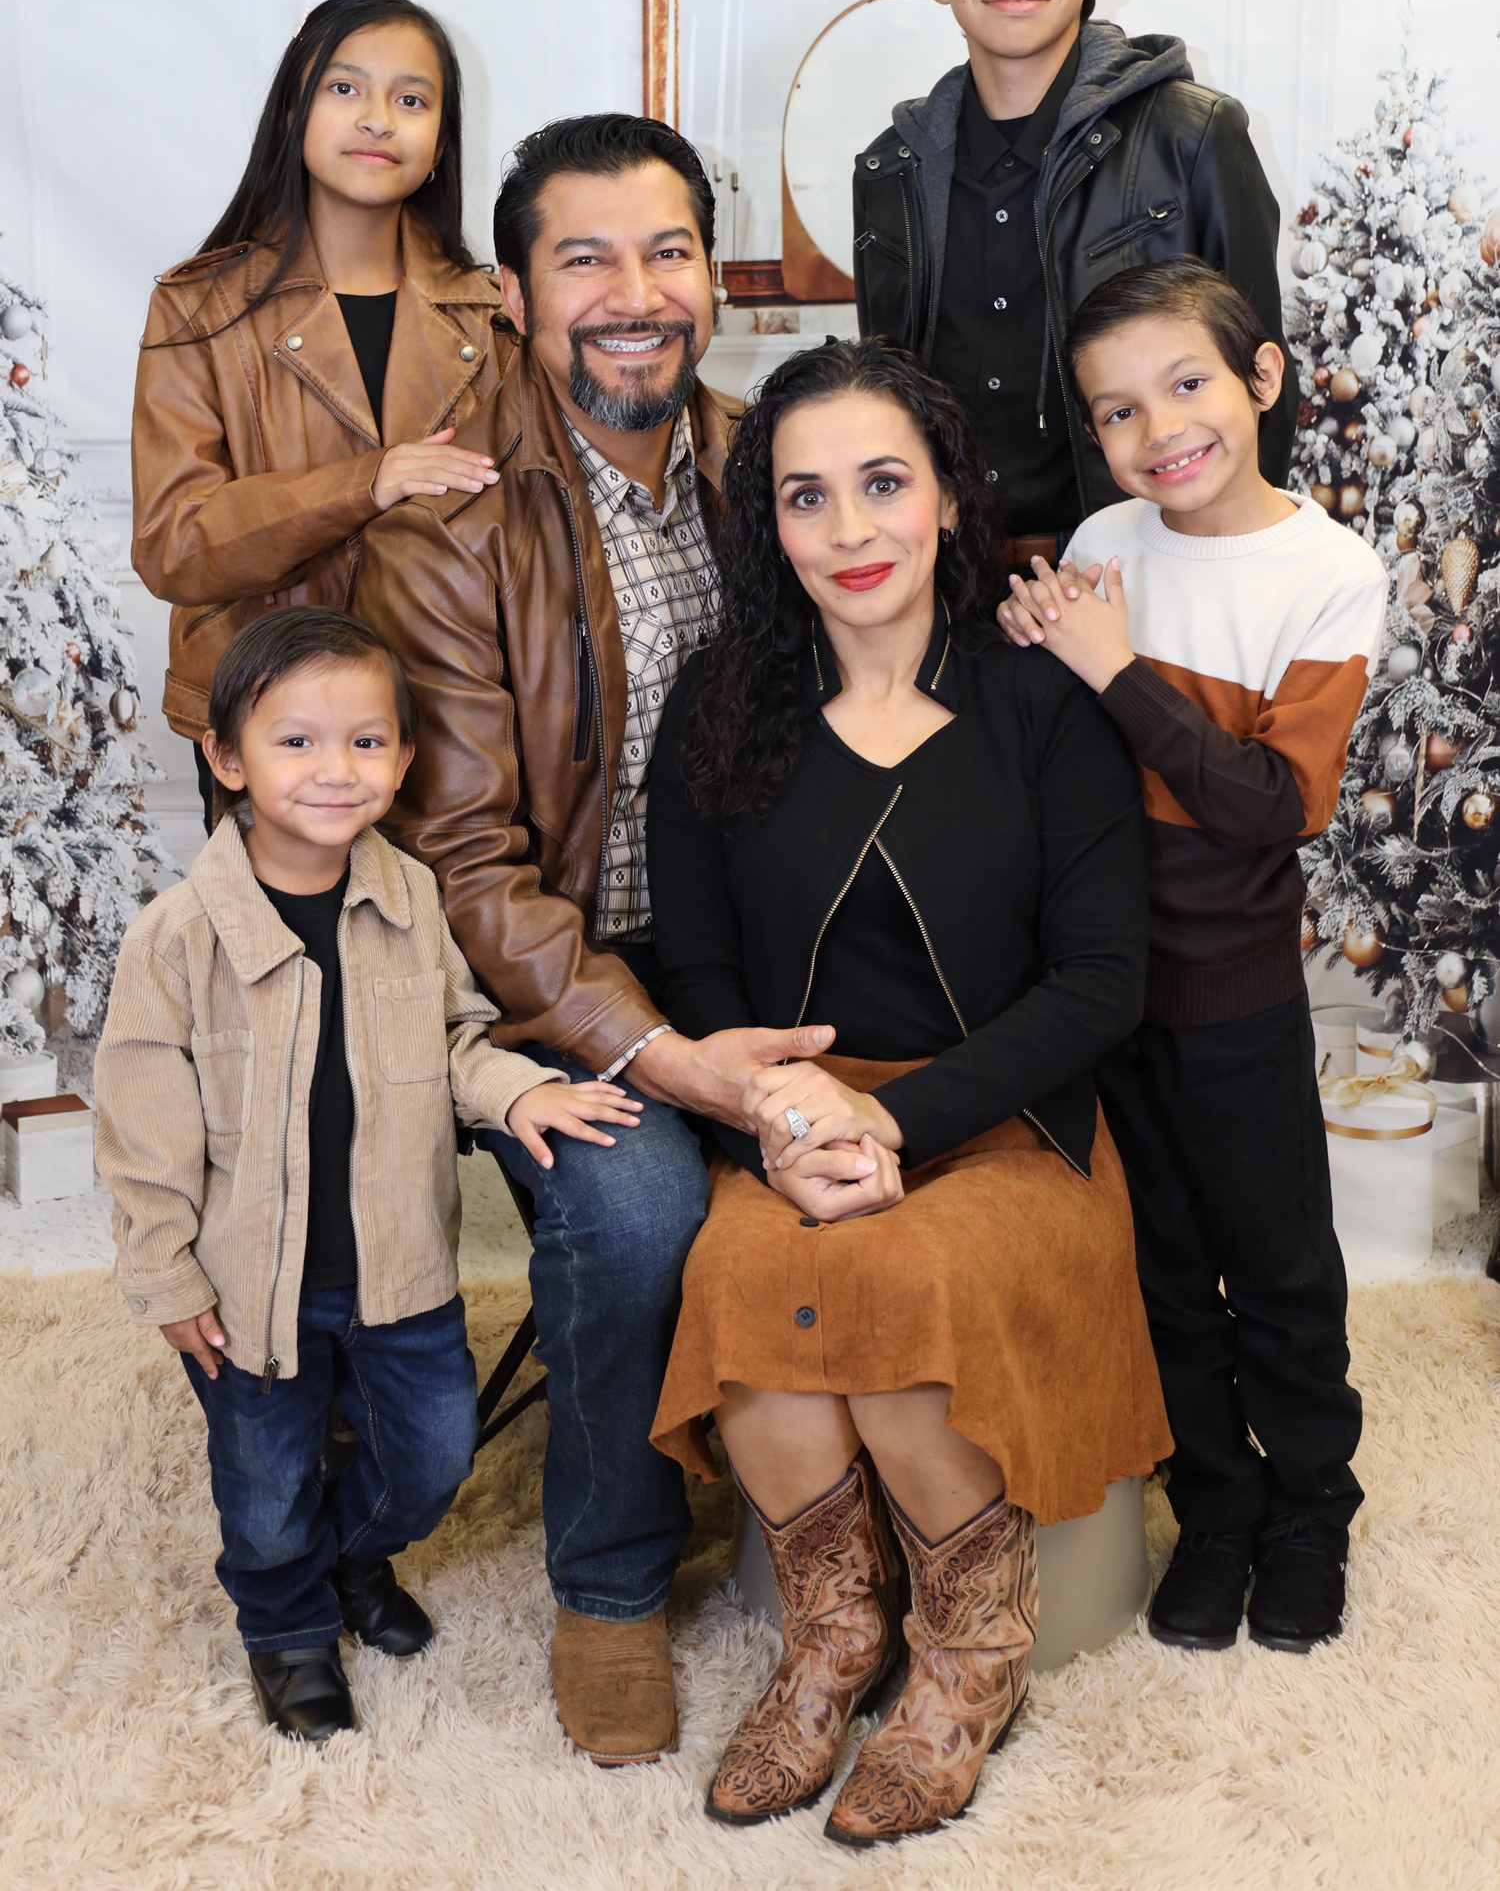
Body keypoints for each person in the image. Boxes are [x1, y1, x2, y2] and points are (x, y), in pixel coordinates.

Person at [352, 113, 834, 1768]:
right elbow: (469, 865)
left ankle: (853, 1525)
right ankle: (614, 1580)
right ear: (513, 293)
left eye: (668, 250)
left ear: (713, 272)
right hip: (539, 976)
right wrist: (663, 1054)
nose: (636, 293)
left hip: (748, 935)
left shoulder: (769, 463)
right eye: (586, 259)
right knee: (638, 1211)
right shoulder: (448, 521)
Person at [645, 335, 1171, 1846]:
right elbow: (695, 966)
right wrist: (784, 1116)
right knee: (744, 1267)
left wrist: (895, 1119)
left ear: (948, 492)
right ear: (771, 526)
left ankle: (966, 1658)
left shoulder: (1041, 697)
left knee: (898, 1278)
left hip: (1010, 1114)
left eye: (884, 482)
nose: (851, 528)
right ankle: (833, 1640)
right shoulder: (720, 699)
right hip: (798, 1113)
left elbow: (1100, 983)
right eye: (807, 496)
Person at [94, 608, 640, 1745]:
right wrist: (167, 1276)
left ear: (400, 759)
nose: (335, 768)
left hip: (400, 1269)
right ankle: (287, 1625)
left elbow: (455, 1039)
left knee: (434, 1455)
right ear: (228, 758)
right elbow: (141, 1133)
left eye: (365, 741)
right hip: (251, 1287)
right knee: (265, 1480)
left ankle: (352, 1556)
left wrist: (516, 1092)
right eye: (295, 741)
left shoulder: (410, 898)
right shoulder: (176, 938)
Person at [999, 257, 1387, 1656]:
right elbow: (1065, 748)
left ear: (1262, 377)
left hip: (1234, 991)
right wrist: (1041, 642)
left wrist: (1114, 666)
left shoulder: (1329, 572)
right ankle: (1218, 1508)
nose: (1158, 428)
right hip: (1104, 986)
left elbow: (1272, 803)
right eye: (1116, 409)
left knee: (1277, 1266)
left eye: (1185, 384)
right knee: (1160, 1266)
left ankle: (1312, 1511)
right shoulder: (1109, 538)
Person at [852, 0, 1297, 578]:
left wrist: (1225, 575)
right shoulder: (889, 169)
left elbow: (1260, 388)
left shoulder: (1190, 137)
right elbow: (885, 399)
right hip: (946, 582)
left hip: (1141, 573)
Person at [131, 0, 511, 832]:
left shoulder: (493, 316)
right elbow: (174, 544)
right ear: (292, 109)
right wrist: (368, 481)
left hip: (445, 718)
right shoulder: (198, 308)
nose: (378, 119)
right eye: (345, 88)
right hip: (269, 724)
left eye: (411, 99)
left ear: (441, 139)